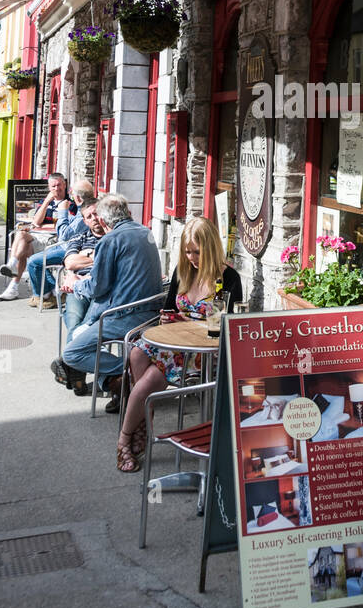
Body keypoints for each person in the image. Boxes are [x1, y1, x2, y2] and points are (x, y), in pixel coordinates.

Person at [116, 216, 242, 473]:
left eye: (197, 251)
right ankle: (144, 422)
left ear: (210, 247)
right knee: (137, 353)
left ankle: (125, 439)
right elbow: (169, 308)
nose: (192, 257)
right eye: (187, 251)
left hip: (201, 350)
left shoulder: (228, 278)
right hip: (173, 340)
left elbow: (226, 325)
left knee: (147, 382)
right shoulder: (183, 271)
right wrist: (169, 317)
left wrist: (189, 321)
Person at [52, 193, 163, 397]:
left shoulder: (110, 240)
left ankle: (134, 371)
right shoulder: (144, 231)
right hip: (150, 311)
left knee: (72, 352)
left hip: (125, 314)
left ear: (103, 221)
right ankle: (114, 383)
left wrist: (76, 285)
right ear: (128, 213)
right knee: (79, 329)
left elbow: (97, 288)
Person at [0, 173, 71, 300]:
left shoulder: (70, 203)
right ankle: (12, 267)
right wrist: (47, 202)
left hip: (56, 241)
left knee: (24, 246)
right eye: (53, 186)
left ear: (64, 185)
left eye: (59, 185)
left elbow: (63, 228)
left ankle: (13, 285)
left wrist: (42, 226)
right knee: (21, 235)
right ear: (49, 188)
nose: (56, 189)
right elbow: (36, 222)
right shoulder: (46, 202)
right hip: (39, 237)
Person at [25, 178, 96, 308]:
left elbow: (64, 235)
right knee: (36, 258)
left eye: (73, 193)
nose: (71, 194)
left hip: (73, 250)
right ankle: (52, 292)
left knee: (33, 262)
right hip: (67, 245)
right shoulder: (83, 208)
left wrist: (63, 211)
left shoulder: (86, 213)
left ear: (78, 198)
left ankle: (44, 296)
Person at [54, 199, 108, 347]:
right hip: (78, 287)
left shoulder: (112, 237)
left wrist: (84, 257)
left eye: (96, 214)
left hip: (103, 289)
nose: (94, 219)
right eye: (89, 217)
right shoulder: (79, 238)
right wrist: (97, 257)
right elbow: (70, 263)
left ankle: (69, 363)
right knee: (74, 322)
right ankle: (76, 361)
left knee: (85, 325)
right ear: (84, 221)